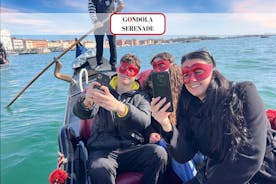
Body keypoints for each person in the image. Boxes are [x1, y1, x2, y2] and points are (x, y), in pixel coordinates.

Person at [151, 50, 276, 184]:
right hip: (213, 172)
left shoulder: (243, 92)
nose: (192, 79)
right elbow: (183, 156)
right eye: (186, 74)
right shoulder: (189, 106)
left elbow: (251, 156)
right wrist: (165, 124)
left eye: (198, 71)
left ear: (213, 71)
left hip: (259, 174)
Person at [73, 53, 167, 184]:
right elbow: (84, 113)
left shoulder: (141, 97)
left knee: (159, 153)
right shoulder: (103, 90)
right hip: (103, 150)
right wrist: (86, 103)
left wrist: (121, 108)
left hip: (132, 149)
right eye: (123, 69)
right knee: (100, 168)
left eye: (131, 70)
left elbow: (145, 121)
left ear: (136, 74)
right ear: (118, 69)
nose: (126, 73)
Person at [142, 52, 204, 183]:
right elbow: (147, 123)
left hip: (186, 137)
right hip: (165, 139)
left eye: (161, 65)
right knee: (175, 148)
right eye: (154, 65)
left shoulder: (187, 90)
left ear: (171, 66)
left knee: (199, 151)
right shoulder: (148, 93)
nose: (158, 69)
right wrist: (151, 133)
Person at [88, 0, 124, 71]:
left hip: (111, 23)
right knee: (99, 44)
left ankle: (113, 64)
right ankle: (99, 64)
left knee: (112, 44)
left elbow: (120, 2)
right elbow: (92, 11)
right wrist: (96, 21)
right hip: (98, 24)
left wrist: (121, 4)